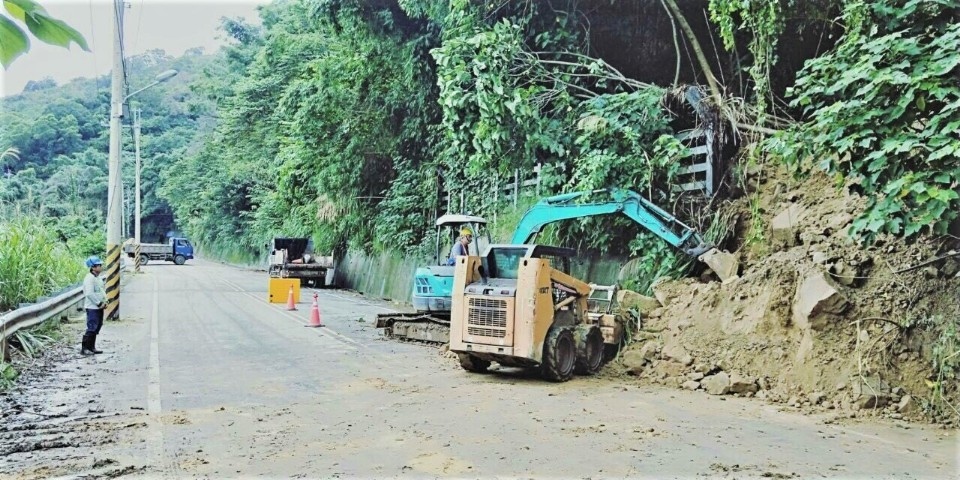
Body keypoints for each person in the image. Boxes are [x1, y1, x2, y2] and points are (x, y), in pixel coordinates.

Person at [81, 256, 106, 355]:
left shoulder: (98, 278)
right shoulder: (89, 278)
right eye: (99, 265)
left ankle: (92, 347)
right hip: (92, 307)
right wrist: (98, 303)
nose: (101, 267)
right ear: (93, 267)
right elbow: (89, 293)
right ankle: (85, 348)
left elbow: (101, 291)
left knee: (97, 326)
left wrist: (104, 302)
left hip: (99, 306)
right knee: (92, 327)